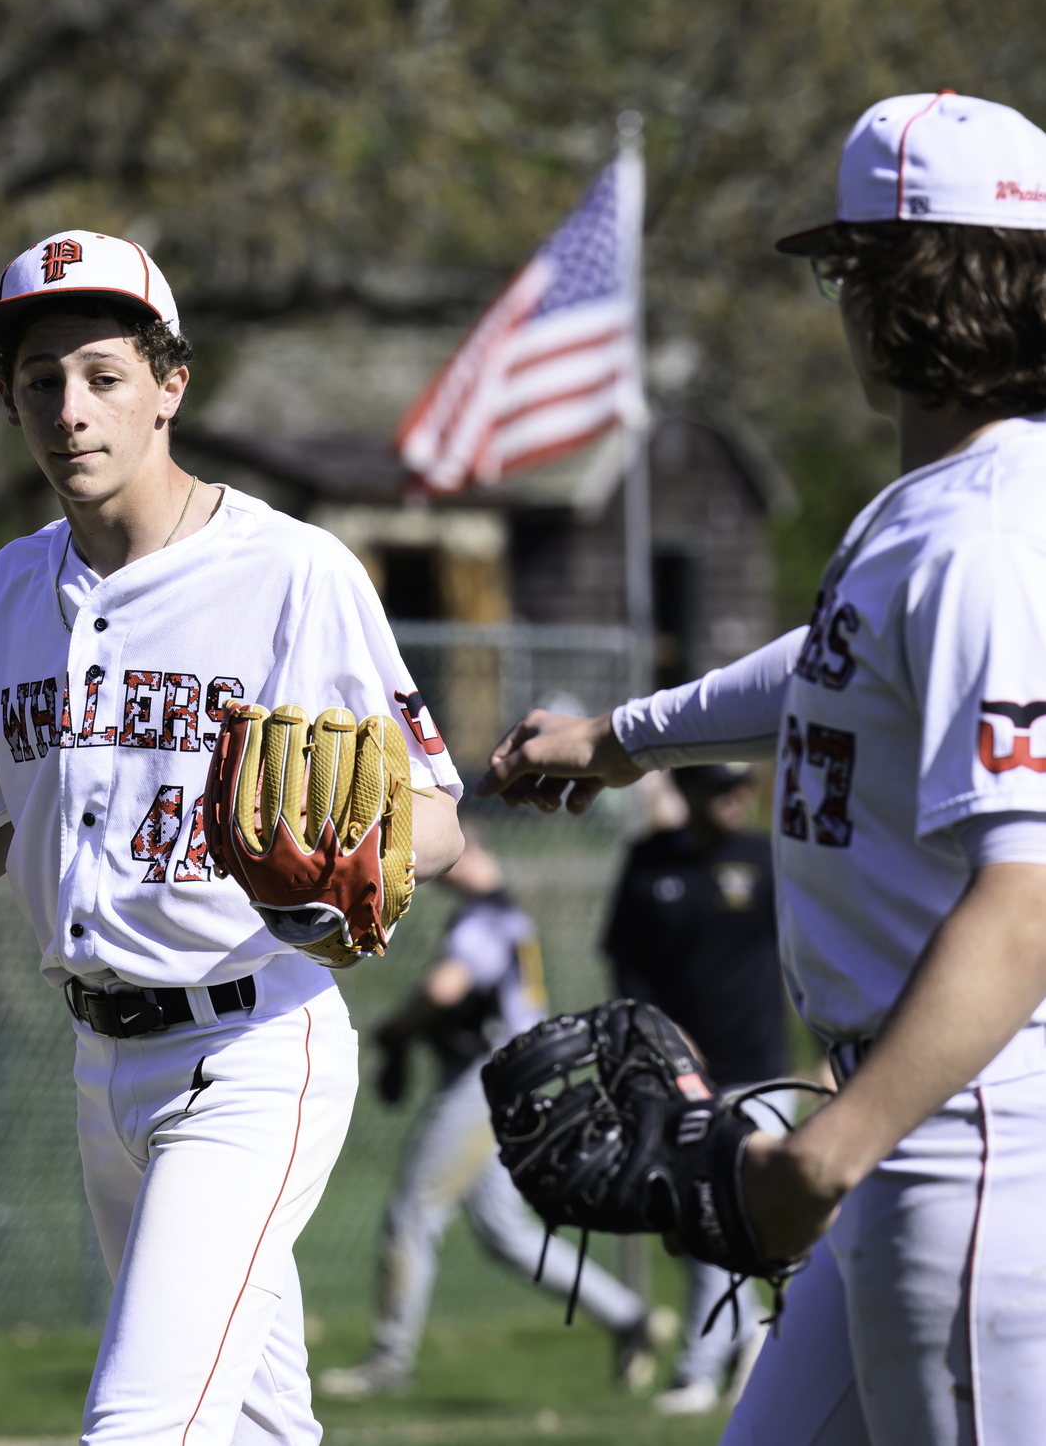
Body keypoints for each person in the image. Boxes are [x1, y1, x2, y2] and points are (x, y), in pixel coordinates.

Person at [0, 230, 465, 1446]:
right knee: (251, 1427)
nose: (69, 409)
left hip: (252, 1048)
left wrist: (350, 848)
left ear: (170, 385)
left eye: (103, 375)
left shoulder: (292, 572)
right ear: (7, 399)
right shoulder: (10, 593)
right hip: (105, 1070)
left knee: (138, 1427)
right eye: (40, 380)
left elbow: (438, 813)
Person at [474, 91, 1046, 1446]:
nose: (840, 300)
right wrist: (620, 740)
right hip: (911, 1128)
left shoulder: (992, 541)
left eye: (850, 265)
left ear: (903, 285)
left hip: (971, 1138)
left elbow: (1027, 907)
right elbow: (832, 670)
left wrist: (825, 1155)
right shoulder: (946, 518)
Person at [317, 822, 675, 1402]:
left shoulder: (486, 916)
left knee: (413, 1213)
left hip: (489, 1080)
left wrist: (399, 1031)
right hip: (518, 1077)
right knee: (504, 1230)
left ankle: (388, 1360)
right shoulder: (503, 913)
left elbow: (445, 988)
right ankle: (629, 1316)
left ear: (466, 849)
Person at [603, 763, 790, 1415]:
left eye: (743, 783)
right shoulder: (648, 862)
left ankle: (698, 1370)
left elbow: (810, 959)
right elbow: (625, 965)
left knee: (736, 1223)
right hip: (679, 1079)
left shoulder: (770, 860)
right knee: (693, 1224)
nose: (736, 794)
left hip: (760, 1069)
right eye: (720, 784)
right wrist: (661, 1038)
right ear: (686, 790)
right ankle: (746, 1341)